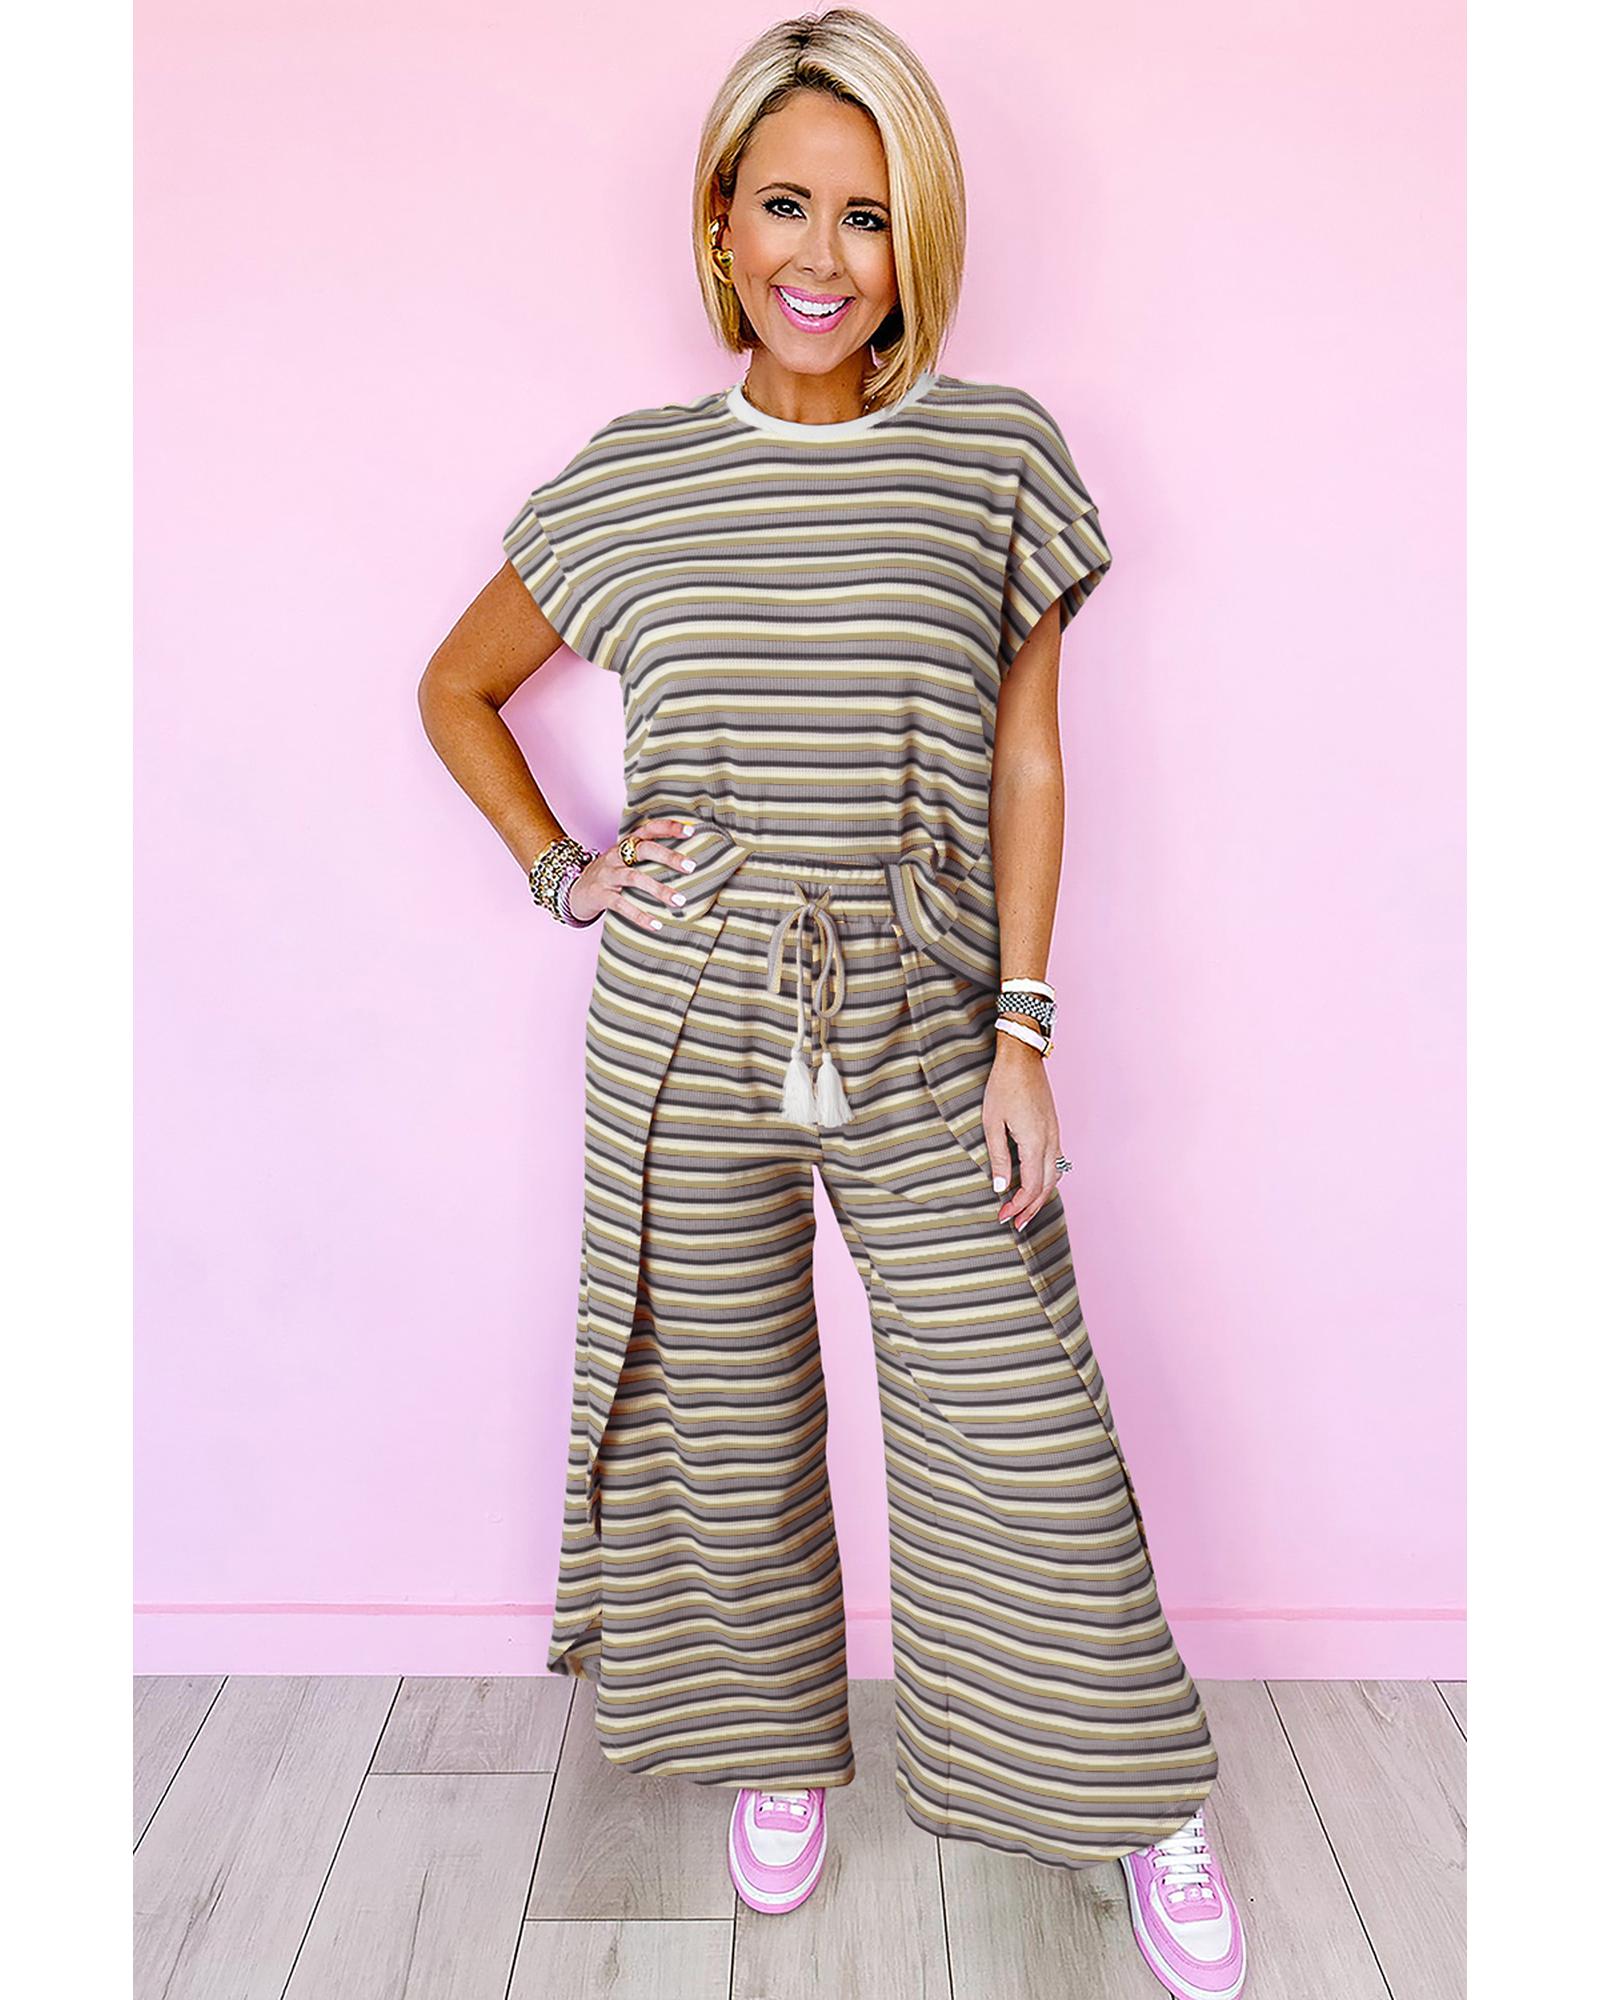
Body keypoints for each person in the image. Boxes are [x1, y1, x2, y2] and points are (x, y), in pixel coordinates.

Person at [418, 10, 1246, 1995]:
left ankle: (1133, 1793)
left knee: (1017, 1409)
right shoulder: (632, 482)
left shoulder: (993, 455)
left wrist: (1023, 1027)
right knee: (720, 1404)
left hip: (920, 1000)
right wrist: (563, 867)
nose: (821, 253)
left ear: (914, 240)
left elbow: (1026, 755)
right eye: (784, 204)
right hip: (691, 1003)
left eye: (866, 215)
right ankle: (770, 1743)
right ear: (720, 221)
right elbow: (456, 686)